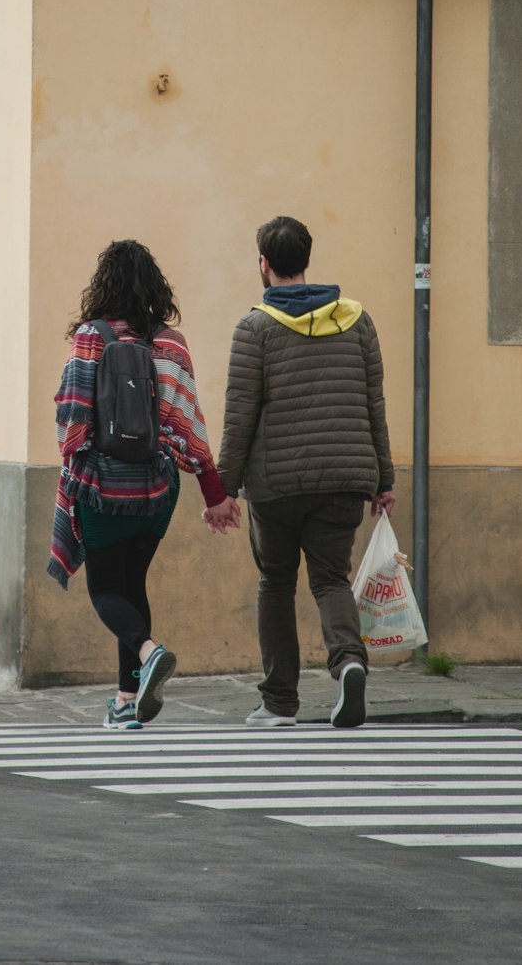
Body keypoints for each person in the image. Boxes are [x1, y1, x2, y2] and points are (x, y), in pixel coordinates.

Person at [211, 215, 395, 729]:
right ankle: (349, 662)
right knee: (331, 578)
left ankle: (279, 702)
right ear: (306, 259)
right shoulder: (358, 320)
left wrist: (221, 490)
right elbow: (372, 403)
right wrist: (383, 479)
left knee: (275, 583)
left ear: (264, 264)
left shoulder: (254, 329)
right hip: (345, 479)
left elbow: (240, 415)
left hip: (277, 484)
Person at [49, 239, 240, 730]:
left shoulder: (91, 337)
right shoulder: (170, 343)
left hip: (103, 487)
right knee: (132, 588)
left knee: (106, 590)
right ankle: (126, 702)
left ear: (103, 285)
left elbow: (71, 419)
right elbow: (188, 422)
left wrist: (76, 462)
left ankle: (150, 651)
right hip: (157, 489)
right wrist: (213, 492)